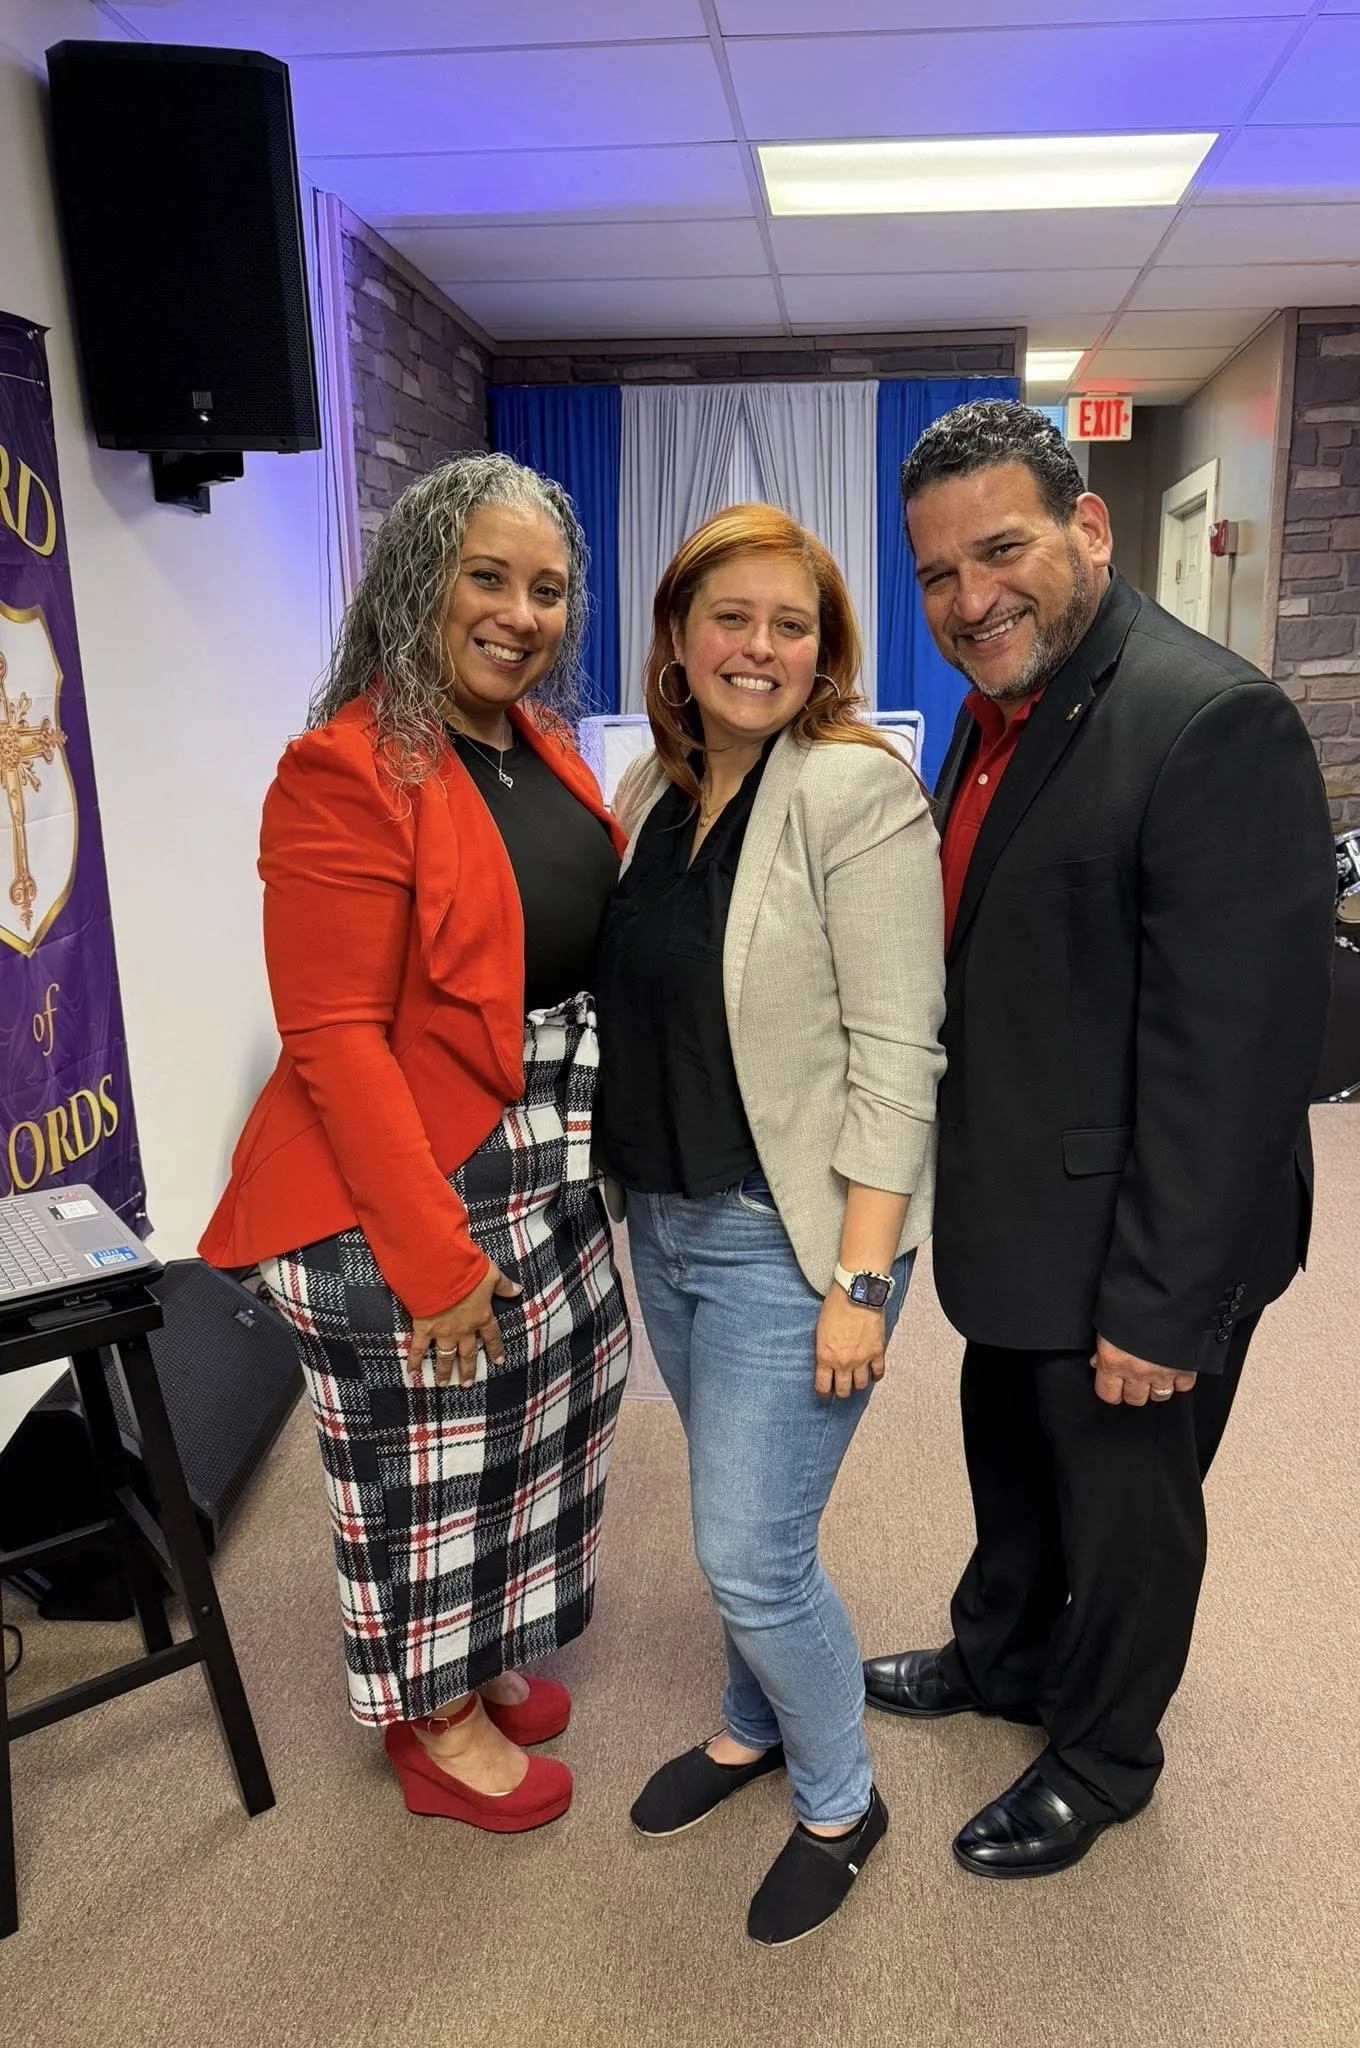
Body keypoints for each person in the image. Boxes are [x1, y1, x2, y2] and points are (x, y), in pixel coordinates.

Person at [864, 401, 1336, 1877]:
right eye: (936, 574)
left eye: (1000, 550)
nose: (969, 599)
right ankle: (1002, 1656)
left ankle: (1104, 1754)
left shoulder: (1208, 720)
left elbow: (1235, 1061)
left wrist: (1158, 1308)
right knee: (1011, 1460)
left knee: (1128, 1514)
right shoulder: (999, 711)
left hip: (1147, 1230)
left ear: (1089, 528)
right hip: (1026, 1210)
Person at [200, 453, 630, 1834]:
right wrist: (432, 1258)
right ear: (418, 585)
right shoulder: (343, 772)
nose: (520, 612)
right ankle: (431, 1727)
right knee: (431, 1458)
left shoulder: (542, 746)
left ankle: (485, 1655)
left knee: (531, 1422)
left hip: (535, 1150)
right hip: (400, 1183)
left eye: (547, 588)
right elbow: (331, 1040)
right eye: (487, 579)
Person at [598, 504, 945, 1946]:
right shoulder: (642, 794)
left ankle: (841, 1800)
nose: (759, 646)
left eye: (789, 624)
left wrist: (863, 1280)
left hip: (791, 1239)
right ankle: (748, 1725)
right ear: (678, 636)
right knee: (733, 1512)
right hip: (665, 1224)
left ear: (826, 652)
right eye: (729, 617)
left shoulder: (856, 794)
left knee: (752, 1549)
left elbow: (899, 1052)